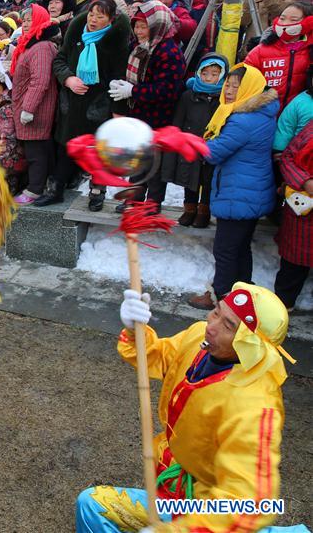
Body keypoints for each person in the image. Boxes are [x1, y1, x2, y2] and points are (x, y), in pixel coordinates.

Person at [76, 282, 300, 532]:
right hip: (175, 490)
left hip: (211, 508)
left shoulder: (255, 407)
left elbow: (248, 506)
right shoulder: (198, 335)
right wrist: (135, 331)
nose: (211, 327)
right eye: (217, 312)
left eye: (228, 326)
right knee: (91, 505)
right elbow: (157, 356)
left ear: (251, 345)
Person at [189, 65, 279, 310]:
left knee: (225, 250)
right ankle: (242, 294)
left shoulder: (242, 120)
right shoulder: (262, 111)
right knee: (240, 249)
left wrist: (191, 141)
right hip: (252, 189)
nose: (228, 90)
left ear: (249, 88)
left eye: (235, 86)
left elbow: (214, 152)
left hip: (239, 192)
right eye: (227, 84)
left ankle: (220, 297)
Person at [36, 0, 130, 208]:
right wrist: (68, 79)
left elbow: (119, 79)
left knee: (98, 150)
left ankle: (97, 192)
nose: (93, 20)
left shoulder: (116, 42)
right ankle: (56, 189)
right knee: (66, 147)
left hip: (98, 104)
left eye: (100, 16)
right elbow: (60, 60)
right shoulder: (76, 32)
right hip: (72, 101)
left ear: (111, 20)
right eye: (91, 14)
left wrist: (117, 113)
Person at [109, 0, 186, 211]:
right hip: (140, 113)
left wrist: (133, 91)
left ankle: (153, 202)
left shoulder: (168, 52)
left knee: (155, 162)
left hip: (160, 116)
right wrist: (122, 84)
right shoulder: (141, 48)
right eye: (137, 26)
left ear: (156, 26)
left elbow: (166, 90)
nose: (138, 31)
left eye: (144, 26)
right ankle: (134, 197)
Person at [160, 53, 229, 228]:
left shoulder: (224, 99)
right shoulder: (188, 96)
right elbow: (179, 119)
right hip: (189, 144)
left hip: (211, 146)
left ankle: (204, 210)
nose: (209, 78)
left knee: (207, 180)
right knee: (189, 178)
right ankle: (189, 208)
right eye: (205, 73)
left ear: (221, 76)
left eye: (214, 74)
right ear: (198, 73)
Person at [9, 4, 60, 204]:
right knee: (36, 149)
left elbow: (40, 80)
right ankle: (38, 185)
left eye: (31, 20)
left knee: (36, 151)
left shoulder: (41, 47)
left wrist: (28, 108)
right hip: (28, 106)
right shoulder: (31, 44)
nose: (26, 24)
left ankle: (35, 190)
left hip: (36, 109)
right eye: (25, 20)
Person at [243, 1, 313, 110]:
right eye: (282, 18)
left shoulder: (310, 51)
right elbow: (244, 84)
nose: (285, 23)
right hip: (263, 112)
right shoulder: (260, 51)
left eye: (293, 20)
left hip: (298, 115)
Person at [274, 121, 312, 311]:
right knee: (291, 270)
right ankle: (279, 311)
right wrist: (305, 182)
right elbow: (288, 157)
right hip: (302, 214)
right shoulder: (310, 128)